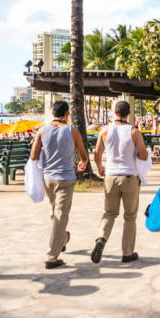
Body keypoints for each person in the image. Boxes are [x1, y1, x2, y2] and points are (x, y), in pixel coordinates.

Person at [30, 100, 89, 269]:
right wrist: (83, 162)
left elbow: (33, 155)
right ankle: (52, 256)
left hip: (48, 178)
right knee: (60, 215)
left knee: (54, 212)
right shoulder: (72, 131)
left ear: (52, 113)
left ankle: (62, 238)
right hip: (66, 178)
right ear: (67, 113)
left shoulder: (42, 131)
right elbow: (82, 153)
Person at [92, 100, 149, 264]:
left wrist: (99, 167)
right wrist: (137, 153)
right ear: (129, 114)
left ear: (114, 112)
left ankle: (101, 239)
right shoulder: (134, 132)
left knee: (109, 213)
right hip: (129, 177)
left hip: (110, 176)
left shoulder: (105, 131)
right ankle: (127, 253)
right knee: (130, 216)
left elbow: (97, 153)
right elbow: (144, 156)